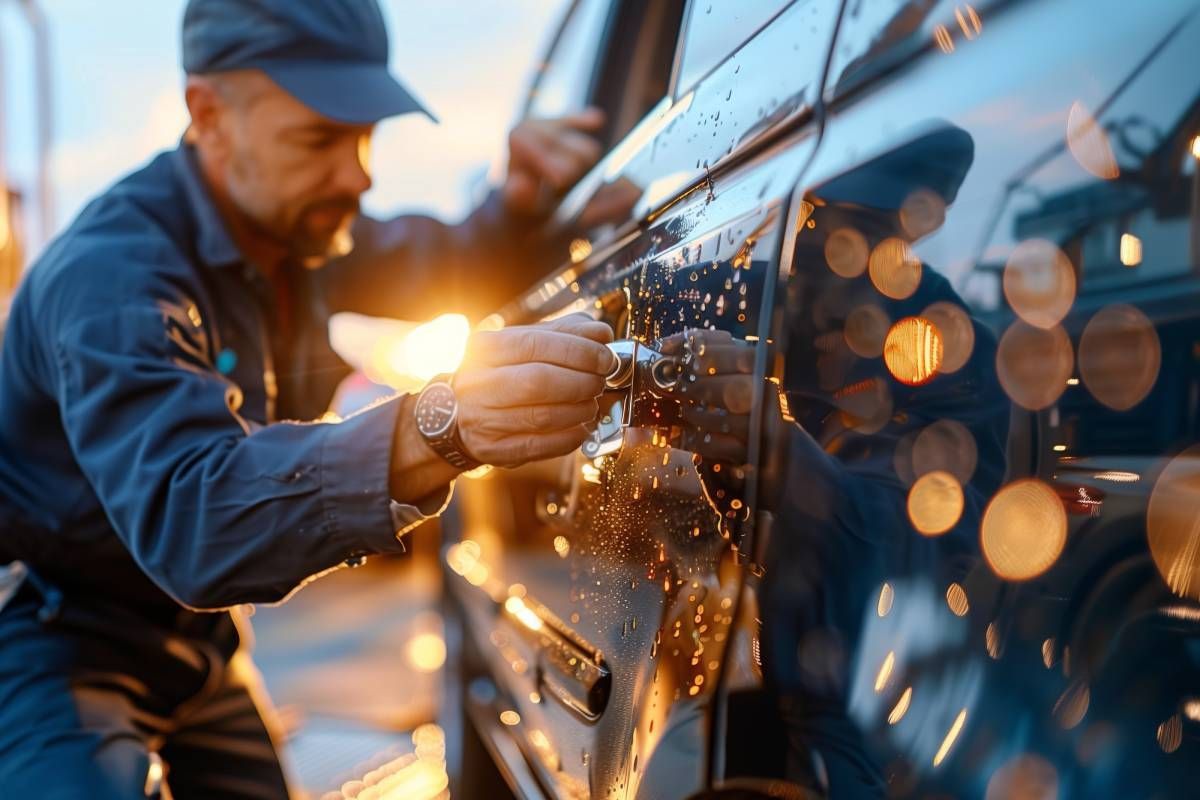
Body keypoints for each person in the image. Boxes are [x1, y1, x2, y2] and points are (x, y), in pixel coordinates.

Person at [0, 0, 615, 796]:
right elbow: (195, 517)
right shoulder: (114, 279)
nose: (358, 173)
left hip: (199, 641)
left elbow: (442, 258)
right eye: (321, 137)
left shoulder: (295, 234)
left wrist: (518, 205)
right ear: (207, 114)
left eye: (365, 138)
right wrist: (437, 429)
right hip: (49, 635)